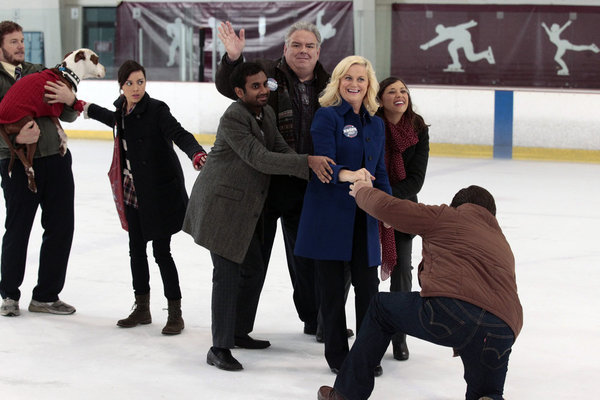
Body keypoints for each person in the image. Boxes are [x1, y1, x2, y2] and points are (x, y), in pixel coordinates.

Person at [183, 61, 334, 371]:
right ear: (239, 92)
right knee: (226, 275)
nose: (264, 90)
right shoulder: (234, 117)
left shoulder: (264, 113)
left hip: (244, 205)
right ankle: (219, 347)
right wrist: (309, 162)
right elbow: (260, 158)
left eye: (265, 84)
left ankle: (238, 331)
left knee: (251, 269)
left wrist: (314, 172)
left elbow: (280, 148)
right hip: (220, 207)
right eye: (256, 86)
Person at [318, 184, 523, 400]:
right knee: (487, 393)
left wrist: (361, 190)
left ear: (457, 205)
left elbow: (389, 207)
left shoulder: (446, 216)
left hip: (453, 310)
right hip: (502, 328)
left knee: (381, 308)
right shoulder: (502, 244)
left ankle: (345, 395)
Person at [215, 21, 332, 336]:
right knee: (254, 260)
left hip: (309, 183)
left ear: (318, 51)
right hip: (264, 181)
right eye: (296, 45)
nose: (302, 51)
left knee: (307, 256)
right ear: (285, 49)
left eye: (309, 46)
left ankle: (315, 319)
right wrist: (233, 58)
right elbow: (231, 86)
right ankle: (238, 328)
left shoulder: (330, 83)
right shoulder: (267, 72)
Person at [83, 60, 206, 335]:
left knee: (162, 252)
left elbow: (180, 134)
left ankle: (175, 313)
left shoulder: (157, 110)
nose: (136, 88)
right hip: (132, 190)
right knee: (135, 249)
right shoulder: (121, 110)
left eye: (141, 82)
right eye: (130, 83)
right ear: (121, 86)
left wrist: (196, 153)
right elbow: (111, 119)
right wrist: (84, 107)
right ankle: (142, 308)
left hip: (159, 192)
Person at [294, 55, 392, 376]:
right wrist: (350, 175)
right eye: (348, 78)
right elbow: (325, 165)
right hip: (329, 218)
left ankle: (367, 353)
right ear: (338, 82)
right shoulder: (327, 118)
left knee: (368, 290)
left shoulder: (376, 124)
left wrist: (389, 209)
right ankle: (338, 357)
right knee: (333, 293)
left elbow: (380, 172)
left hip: (364, 219)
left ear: (369, 85)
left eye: (360, 79)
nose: (354, 84)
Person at [0, 20, 79, 317]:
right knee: (18, 229)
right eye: (13, 42)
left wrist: (71, 100)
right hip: (18, 164)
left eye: (21, 40)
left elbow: (67, 114)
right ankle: (9, 294)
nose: (20, 45)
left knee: (61, 227)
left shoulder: (38, 72)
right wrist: (15, 138)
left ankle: (46, 296)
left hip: (56, 160)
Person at [376, 77, 429, 361]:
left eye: (403, 91)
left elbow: (416, 180)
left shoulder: (418, 129)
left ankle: (399, 336)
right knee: (355, 269)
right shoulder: (371, 124)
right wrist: (374, 200)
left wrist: (387, 199)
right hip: (367, 206)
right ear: (380, 99)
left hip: (401, 208)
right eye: (391, 91)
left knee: (402, 271)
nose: (399, 95)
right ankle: (331, 325)